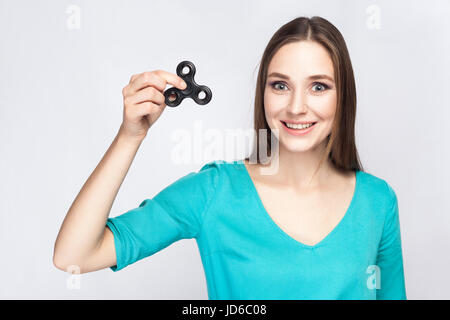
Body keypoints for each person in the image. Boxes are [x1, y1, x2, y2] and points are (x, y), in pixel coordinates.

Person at [53, 16, 407, 300]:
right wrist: (130, 136)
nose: (297, 106)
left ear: (342, 95)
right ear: (263, 94)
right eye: (280, 85)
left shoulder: (377, 201)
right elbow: (73, 256)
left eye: (319, 86)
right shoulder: (214, 192)